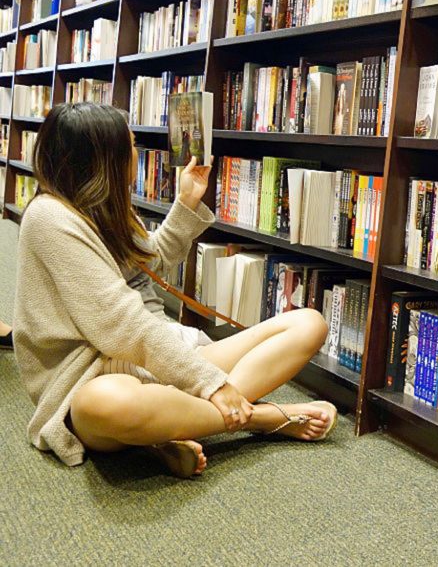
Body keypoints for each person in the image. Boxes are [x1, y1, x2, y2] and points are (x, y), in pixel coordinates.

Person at [11, 102, 336, 479]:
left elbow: (153, 260)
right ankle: (256, 418)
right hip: (88, 374)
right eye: (130, 144)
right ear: (105, 158)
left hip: (159, 352)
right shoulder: (49, 218)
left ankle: (167, 430)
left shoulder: (101, 206)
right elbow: (121, 325)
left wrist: (187, 201)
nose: (136, 152)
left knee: (308, 324)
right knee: (108, 404)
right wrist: (212, 385)